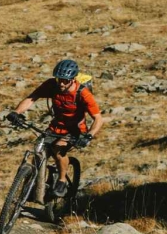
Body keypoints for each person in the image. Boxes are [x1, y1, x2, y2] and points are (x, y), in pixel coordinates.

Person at [8, 59, 104, 197]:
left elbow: (98, 118)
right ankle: (35, 182)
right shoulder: (52, 85)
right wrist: (16, 112)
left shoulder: (83, 93)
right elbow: (32, 98)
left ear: (73, 79)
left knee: (58, 150)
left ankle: (62, 180)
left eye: (66, 80)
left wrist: (89, 135)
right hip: (56, 126)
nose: (62, 83)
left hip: (75, 130)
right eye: (59, 79)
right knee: (39, 148)